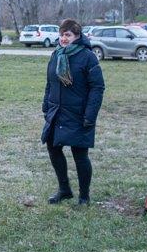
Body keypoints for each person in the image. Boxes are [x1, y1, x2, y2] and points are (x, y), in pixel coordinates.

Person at [40, 19, 105, 205]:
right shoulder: (56, 54)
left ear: (77, 36)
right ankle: (64, 190)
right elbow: (50, 82)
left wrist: (90, 115)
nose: (63, 38)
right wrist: (46, 105)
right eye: (61, 34)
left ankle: (84, 196)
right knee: (53, 148)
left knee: (80, 155)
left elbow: (97, 87)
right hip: (57, 112)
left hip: (79, 114)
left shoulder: (87, 56)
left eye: (68, 35)